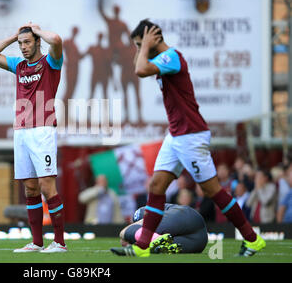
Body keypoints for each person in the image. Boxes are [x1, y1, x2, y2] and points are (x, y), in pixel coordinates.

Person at [111, 19, 265, 258]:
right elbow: (138, 66)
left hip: (191, 136)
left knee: (213, 191)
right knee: (156, 186)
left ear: (154, 40)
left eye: (141, 44)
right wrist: (143, 47)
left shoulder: (172, 57)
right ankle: (143, 247)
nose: (139, 50)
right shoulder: (162, 59)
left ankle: (252, 239)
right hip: (176, 135)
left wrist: (146, 47)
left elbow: (140, 70)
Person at [0, 23, 66, 253]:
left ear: (38, 42)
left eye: (27, 42)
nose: (23, 47)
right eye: (21, 44)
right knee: (30, 189)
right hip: (21, 132)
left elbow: (57, 39)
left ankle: (59, 242)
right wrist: (14, 36)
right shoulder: (18, 65)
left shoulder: (50, 62)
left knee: (46, 185)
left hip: (43, 130)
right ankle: (37, 242)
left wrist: (36, 30)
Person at [111, 203, 208, 255]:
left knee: (123, 233)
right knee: (162, 248)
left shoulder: (151, 212)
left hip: (185, 215)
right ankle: (156, 241)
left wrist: (129, 235)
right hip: (200, 240)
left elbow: (126, 235)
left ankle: (154, 239)